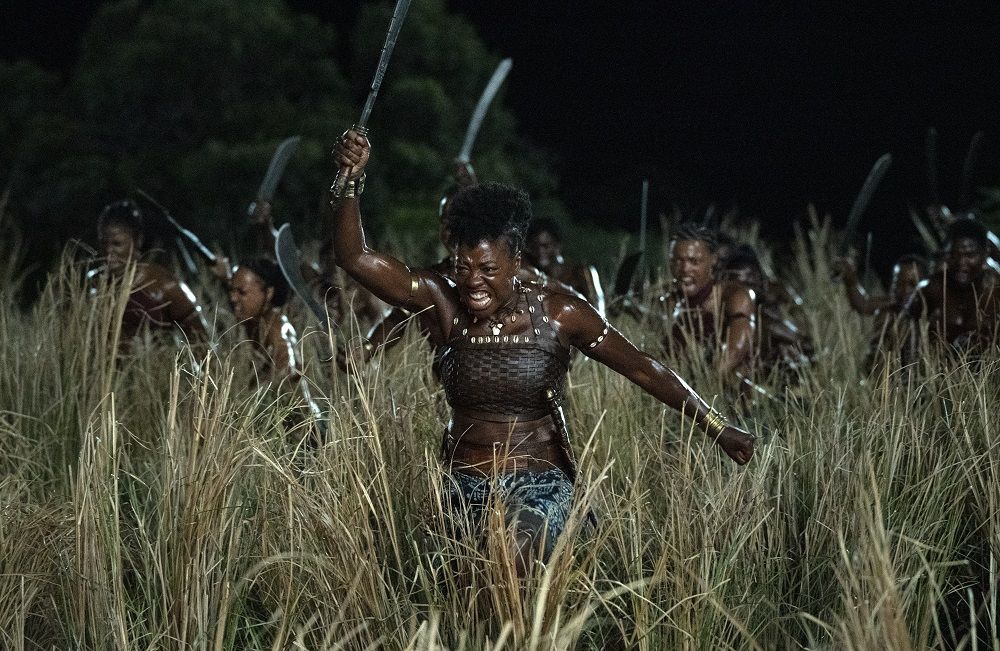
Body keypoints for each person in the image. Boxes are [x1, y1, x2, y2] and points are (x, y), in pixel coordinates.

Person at [330, 129, 754, 577]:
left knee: (508, 558)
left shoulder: (560, 314)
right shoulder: (441, 298)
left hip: (538, 486)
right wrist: (350, 179)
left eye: (488, 269)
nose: (472, 281)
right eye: (462, 267)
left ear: (517, 262)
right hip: (461, 485)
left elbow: (644, 370)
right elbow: (354, 257)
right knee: (466, 591)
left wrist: (717, 426)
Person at [95, 199, 207, 345]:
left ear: (138, 241)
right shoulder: (94, 287)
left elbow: (202, 342)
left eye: (117, 244)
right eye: (104, 243)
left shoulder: (164, 286)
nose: (109, 252)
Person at [660, 224, 756, 386]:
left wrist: (705, 387)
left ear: (713, 260)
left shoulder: (734, 296)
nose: (684, 269)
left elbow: (737, 348)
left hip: (726, 394)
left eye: (694, 261)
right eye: (677, 261)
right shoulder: (668, 299)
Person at [904, 219, 1000, 357]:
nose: (961, 263)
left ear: (985, 255)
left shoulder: (996, 290)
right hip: (940, 371)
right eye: (954, 255)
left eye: (970, 255)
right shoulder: (931, 288)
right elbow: (909, 336)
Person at [719, 245, 812, 377]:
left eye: (753, 276)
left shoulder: (774, 292)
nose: (751, 283)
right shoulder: (727, 305)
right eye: (743, 282)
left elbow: (802, 325)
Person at [833, 253, 927, 372]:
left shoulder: (930, 311)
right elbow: (863, 305)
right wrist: (850, 279)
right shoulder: (891, 307)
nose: (904, 291)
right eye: (898, 284)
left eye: (912, 285)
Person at [228, 258, 302, 385]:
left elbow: (288, 374)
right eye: (231, 290)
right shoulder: (256, 322)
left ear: (268, 293)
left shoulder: (276, 330)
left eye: (242, 292)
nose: (233, 298)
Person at [524, 218, 606, 314]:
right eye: (534, 247)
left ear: (557, 246)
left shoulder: (583, 273)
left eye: (545, 246)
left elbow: (599, 312)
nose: (540, 251)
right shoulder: (533, 278)